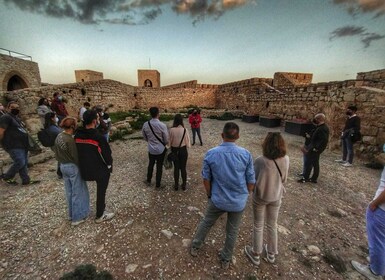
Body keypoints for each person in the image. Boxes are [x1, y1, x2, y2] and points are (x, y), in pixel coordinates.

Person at [190, 122, 255, 269]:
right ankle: (226, 259)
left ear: (222, 135)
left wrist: (209, 194)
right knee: (232, 231)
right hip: (238, 202)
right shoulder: (246, 154)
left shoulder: (211, 153)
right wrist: (244, 195)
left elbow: (206, 179)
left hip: (218, 199)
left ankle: (196, 245)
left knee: (206, 222)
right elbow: (251, 181)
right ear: (238, 136)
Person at [244, 132, 289, 266]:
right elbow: (284, 179)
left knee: (258, 225)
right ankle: (271, 254)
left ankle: (256, 253)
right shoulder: (286, 159)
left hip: (261, 196)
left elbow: (253, 179)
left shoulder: (260, 160)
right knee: (272, 225)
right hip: (276, 196)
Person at [74, 110, 114, 223]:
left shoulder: (77, 135)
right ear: (94, 121)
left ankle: (81, 212)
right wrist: (109, 166)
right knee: (101, 191)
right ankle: (100, 214)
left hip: (84, 169)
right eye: (97, 118)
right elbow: (106, 154)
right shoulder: (98, 137)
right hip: (98, 170)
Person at [351, 151, 385, 280]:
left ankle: (375, 271)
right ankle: (379, 260)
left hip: (382, 208)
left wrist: (374, 203)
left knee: (377, 239)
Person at [53, 117, 90, 226]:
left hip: (63, 166)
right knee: (77, 192)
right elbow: (75, 157)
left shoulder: (59, 136)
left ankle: (71, 214)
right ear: (73, 126)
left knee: (69, 191)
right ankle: (77, 217)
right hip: (72, 166)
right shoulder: (69, 140)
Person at [0, 101, 40, 185]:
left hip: (22, 144)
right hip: (12, 144)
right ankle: (7, 176)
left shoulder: (16, 118)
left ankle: (26, 180)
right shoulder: (5, 117)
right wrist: (2, 143)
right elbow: (1, 131)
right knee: (20, 161)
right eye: (13, 107)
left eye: (17, 107)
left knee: (24, 163)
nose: (16, 109)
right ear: (7, 108)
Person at [298, 113, 329, 183]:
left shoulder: (323, 128)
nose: (315, 120)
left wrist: (316, 148)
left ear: (319, 119)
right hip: (313, 147)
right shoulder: (320, 127)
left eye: (316, 119)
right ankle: (313, 178)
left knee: (310, 163)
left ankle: (306, 178)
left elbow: (323, 140)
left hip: (314, 149)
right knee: (315, 163)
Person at [142, 107, 169, 188]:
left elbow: (144, 137)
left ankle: (148, 180)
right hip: (161, 149)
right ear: (158, 114)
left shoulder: (146, 124)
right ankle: (158, 184)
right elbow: (166, 139)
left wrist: (150, 141)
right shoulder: (162, 125)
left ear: (150, 114)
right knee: (159, 166)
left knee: (151, 164)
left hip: (151, 149)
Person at [169, 114, 191, 191]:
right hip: (183, 150)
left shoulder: (171, 130)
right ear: (181, 120)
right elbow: (188, 143)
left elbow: (169, 142)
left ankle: (176, 185)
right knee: (183, 168)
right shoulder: (185, 130)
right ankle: (184, 184)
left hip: (174, 150)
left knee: (176, 168)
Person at [44, 112, 63, 178]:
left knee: (60, 158)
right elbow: (60, 134)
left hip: (54, 145)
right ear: (52, 118)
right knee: (61, 158)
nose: (56, 118)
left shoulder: (50, 126)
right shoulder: (52, 128)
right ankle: (60, 172)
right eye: (55, 117)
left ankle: (60, 172)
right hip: (56, 145)